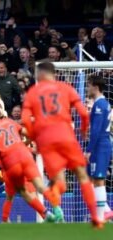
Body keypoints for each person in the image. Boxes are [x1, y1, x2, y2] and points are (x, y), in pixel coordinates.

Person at [21, 62, 101, 227]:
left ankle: (55, 203)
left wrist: (34, 137)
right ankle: (95, 217)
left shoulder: (33, 92)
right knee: (82, 175)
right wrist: (84, 130)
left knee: (59, 182)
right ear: (53, 73)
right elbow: (84, 113)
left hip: (46, 140)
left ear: (39, 74)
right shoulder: (65, 88)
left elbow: (25, 120)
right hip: (66, 135)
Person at [86, 75, 113, 221]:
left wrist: (89, 150)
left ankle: (101, 215)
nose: (87, 88)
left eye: (89, 85)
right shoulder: (103, 104)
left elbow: (96, 130)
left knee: (98, 179)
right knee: (89, 178)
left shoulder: (100, 105)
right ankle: (106, 210)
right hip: (101, 144)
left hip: (100, 146)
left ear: (96, 87)